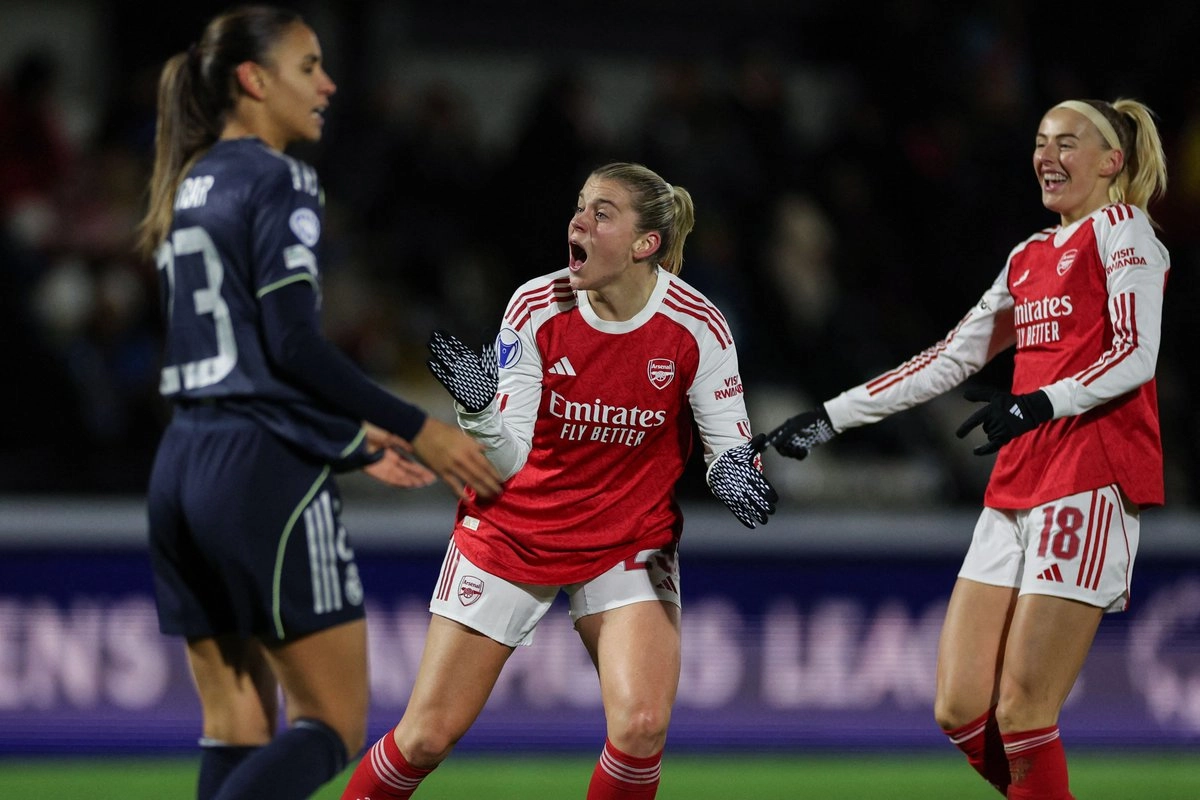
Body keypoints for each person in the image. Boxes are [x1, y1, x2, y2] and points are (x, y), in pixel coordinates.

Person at [136, 7, 503, 799]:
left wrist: (352, 439)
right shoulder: (281, 177)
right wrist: (422, 429)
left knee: (237, 720)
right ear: (253, 79)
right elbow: (293, 346)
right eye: (308, 67)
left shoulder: (190, 180)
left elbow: (242, 363)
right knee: (332, 725)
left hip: (182, 464)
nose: (328, 84)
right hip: (259, 472)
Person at [765, 98, 1168, 800]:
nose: (1047, 154)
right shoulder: (1028, 256)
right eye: (1041, 141)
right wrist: (833, 416)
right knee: (958, 709)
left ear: (1113, 163)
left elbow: (1137, 354)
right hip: (1017, 480)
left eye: (1068, 142)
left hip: (1087, 475)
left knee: (1022, 711)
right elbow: (949, 359)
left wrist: (1042, 400)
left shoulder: (1123, 229)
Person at [340, 161, 777, 799]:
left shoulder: (696, 326)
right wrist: (478, 409)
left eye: (601, 213)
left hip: (627, 540)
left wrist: (738, 476)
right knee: (426, 737)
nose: (578, 221)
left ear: (644, 244)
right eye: (579, 207)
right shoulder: (538, 305)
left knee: (643, 726)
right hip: (515, 531)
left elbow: (728, 445)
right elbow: (509, 460)